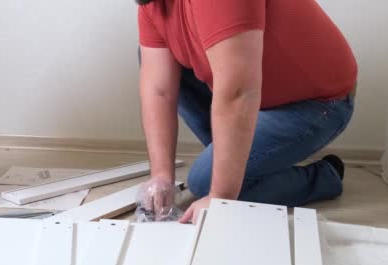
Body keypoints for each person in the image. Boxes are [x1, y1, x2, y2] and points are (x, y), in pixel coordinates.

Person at [135, 0, 358, 223]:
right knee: (154, 59)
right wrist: (161, 175)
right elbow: (159, 90)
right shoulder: (152, 5)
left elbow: (239, 93)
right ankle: (243, 160)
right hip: (254, 96)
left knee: (204, 184)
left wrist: (220, 197)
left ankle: (324, 177)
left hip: (317, 104)